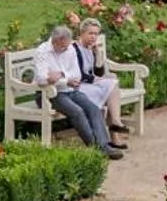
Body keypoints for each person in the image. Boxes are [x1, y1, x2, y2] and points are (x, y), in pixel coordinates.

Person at [31, 25, 123, 159]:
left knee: (93, 108)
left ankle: (104, 145)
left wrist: (61, 75)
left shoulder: (69, 48)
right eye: (63, 47)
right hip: (48, 94)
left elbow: (77, 75)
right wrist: (65, 80)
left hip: (70, 90)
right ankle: (98, 148)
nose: (66, 49)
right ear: (55, 41)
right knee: (77, 111)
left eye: (67, 46)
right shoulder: (42, 51)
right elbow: (41, 79)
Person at [76, 18, 127, 138]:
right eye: (90, 33)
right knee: (109, 90)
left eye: (96, 34)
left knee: (112, 84)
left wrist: (97, 54)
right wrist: (94, 80)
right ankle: (114, 131)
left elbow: (98, 73)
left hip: (87, 83)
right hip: (77, 85)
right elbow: (77, 73)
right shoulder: (75, 49)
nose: (93, 37)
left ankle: (115, 124)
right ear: (82, 33)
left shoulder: (90, 49)